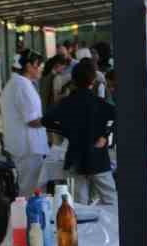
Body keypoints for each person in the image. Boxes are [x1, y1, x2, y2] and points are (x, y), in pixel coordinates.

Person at [41, 58, 117, 207]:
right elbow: (117, 118)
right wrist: (105, 135)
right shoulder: (100, 103)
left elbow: (46, 120)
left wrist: (66, 131)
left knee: (79, 204)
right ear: (93, 81)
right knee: (111, 200)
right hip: (98, 157)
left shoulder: (66, 103)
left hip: (75, 157)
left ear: (73, 81)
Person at [1, 51, 48, 194]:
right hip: (29, 147)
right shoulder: (22, 86)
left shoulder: (18, 83)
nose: (41, 69)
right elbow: (32, 121)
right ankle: (28, 209)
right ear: (29, 66)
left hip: (26, 146)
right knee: (31, 189)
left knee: (30, 187)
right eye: (39, 65)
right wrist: (53, 120)